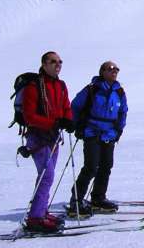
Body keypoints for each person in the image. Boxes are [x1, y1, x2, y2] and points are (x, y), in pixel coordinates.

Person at [21, 51, 74, 233]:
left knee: (46, 176)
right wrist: (54, 122)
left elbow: (66, 106)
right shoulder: (34, 86)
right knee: (47, 175)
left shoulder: (60, 85)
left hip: (53, 137)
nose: (57, 64)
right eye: (53, 62)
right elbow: (29, 116)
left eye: (60, 61)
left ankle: (41, 211)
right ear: (44, 64)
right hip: (38, 137)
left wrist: (67, 120)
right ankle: (35, 218)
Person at [67, 61, 128, 216]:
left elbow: (123, 111)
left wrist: (119, 129)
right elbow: (75, 106)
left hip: (109, 134)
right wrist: (75, 126)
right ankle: (77, 200)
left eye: (116, 69)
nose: (114, 72)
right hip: (92, 132)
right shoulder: (92, 89)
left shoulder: (119, 92)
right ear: (102, 72)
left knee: (106, 166)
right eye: (110, 69)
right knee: (91, 167)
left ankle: (98, 198)